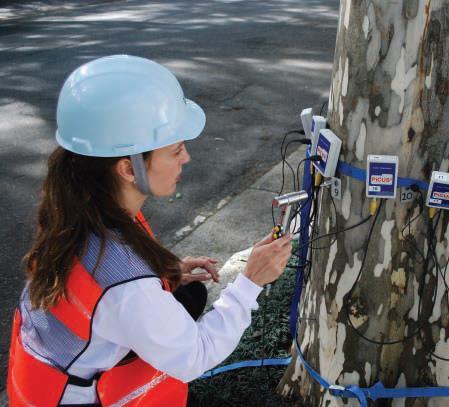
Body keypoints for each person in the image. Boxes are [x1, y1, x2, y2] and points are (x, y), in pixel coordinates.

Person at [6, 55, 293, 406]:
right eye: (175, 150)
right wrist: (250, 282)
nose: (185, 158)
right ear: (128, 169)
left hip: (44, 379)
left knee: (187, 296)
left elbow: (104, 294)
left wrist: (164, 275)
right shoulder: (127, 284)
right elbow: (195, 356)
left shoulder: (76, 207)